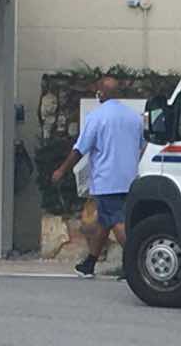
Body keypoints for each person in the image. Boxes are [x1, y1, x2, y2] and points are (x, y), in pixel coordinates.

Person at [51, 76, 143, 278]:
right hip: (130, 179)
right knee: (105, 221)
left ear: (101, 92)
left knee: (117, 221)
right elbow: (142, 146)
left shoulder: (97, 117)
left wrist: (62, 170)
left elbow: (80, 149)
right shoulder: (134, 117)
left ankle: (136, 265)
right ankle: (89, 264)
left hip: (106, 180)